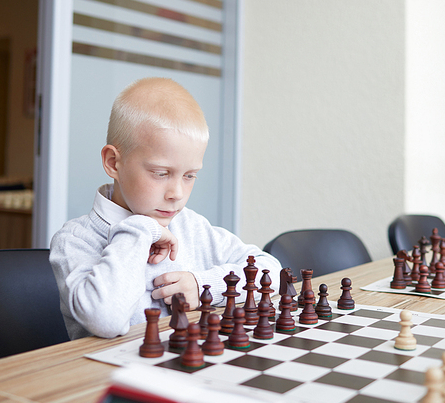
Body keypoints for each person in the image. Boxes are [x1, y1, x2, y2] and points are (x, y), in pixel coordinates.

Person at [50, 77, 282, 339]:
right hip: (108, 376)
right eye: (161, 173)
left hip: (182, 369)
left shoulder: (190, 226)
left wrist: (202, 284)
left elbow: (270, 270)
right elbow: (106, 320)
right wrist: (141, 227)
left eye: (190, 175)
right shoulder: (75, 241)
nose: (177, 194)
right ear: (114, 162)